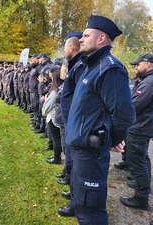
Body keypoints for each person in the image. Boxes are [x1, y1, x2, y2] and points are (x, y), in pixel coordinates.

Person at [66, 15, 136, 224]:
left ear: (101, 39)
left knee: (90, 210)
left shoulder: (110, 69)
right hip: (81, 150)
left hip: (91, 153)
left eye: (86, 35)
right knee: (81, 203)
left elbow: (124, 114)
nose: (81, 39)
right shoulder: (91, 65)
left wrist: (112, 140)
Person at [120, 53, 153, 210]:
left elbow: (133, 105)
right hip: (143, 126)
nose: (135, 68)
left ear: (147, 64)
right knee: (143, 158)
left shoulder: (149, 83)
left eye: (138, 65)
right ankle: (143, 186)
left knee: (137, 162)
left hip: (139, 128)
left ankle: (141, 198)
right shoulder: (149, 80)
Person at [58, 31, 84, 217]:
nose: (64, 49)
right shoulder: (74, 66)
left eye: (65, 46)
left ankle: (76, 203)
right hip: (70, 122)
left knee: (76, 164)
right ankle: (74, 195)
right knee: (72, 161)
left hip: (75, 123)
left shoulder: (81, 66)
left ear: (71, 47)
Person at [42, 66, 63, 165]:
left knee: (56, 138)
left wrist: (44, 111)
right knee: (57, 138)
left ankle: (57, 157)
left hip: (53, 117)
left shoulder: (55, 91)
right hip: (55, 116)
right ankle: (56, 155)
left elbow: (48, 105)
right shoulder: (58, 89)